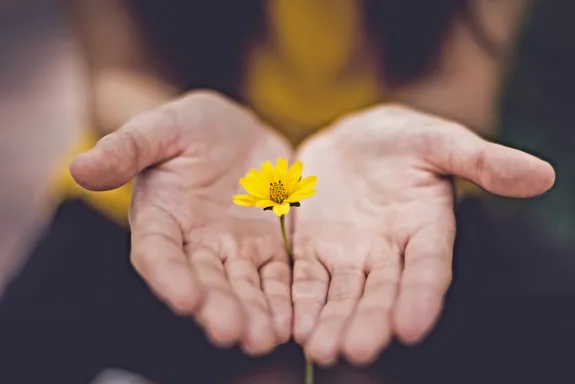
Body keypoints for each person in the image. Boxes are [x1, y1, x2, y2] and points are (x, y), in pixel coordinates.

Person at [1, 1, 572, 383]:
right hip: (182, 192)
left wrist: (406, 133)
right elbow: (119, 73)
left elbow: (462, 85)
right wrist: (164, 129)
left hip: (396, 197)